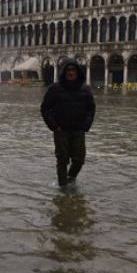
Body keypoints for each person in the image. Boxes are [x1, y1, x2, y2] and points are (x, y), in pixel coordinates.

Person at [41, 58, 96, 187]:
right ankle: (63, 190)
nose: (71, 73)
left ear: (78, 71)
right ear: (64, 72)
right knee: (62, 160)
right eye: (68, 70)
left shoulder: (85, 89)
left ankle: (71, 178)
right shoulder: (55, 89)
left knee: (79, 160)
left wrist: (86, 126)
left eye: (74, 70)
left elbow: (91, 109)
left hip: (78, 130)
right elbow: (45, 108)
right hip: (61, 131)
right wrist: (54, 127)